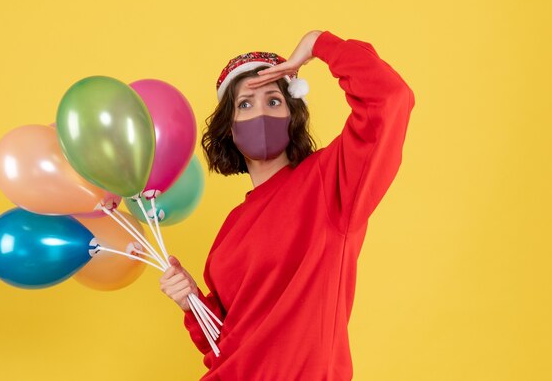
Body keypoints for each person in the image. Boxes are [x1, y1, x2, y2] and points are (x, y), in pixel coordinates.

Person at [159, 30, 415, 380]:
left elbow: (390, 97)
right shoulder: (231, 227)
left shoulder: (330, 181)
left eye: (273, 100)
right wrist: (191, 303)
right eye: (245, 104)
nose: (260, 111)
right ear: (229, 129)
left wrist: (317, 44)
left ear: (293, 114)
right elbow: (224, 343)